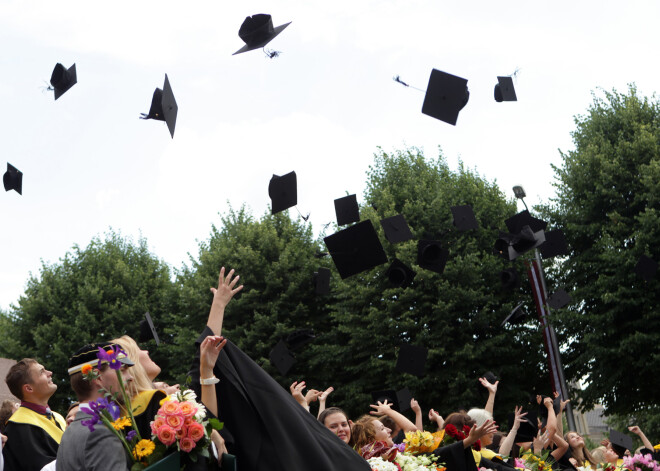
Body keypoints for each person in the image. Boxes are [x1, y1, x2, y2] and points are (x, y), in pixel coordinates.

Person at [187, 266, 372, 470]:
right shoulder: (174, 410)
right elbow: (204, 364)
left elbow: (206, 354)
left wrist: (219, 305)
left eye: (343, 424)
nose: (147, 353)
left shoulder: (190, 402)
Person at [56, 342, 135, 471]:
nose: (130, 377)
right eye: (122, 370)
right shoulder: (99, 432)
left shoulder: (70, 432)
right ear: (97, 377)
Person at [2, 359, 66, 471]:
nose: (50, 372)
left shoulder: (57, 417)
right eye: (42, 372)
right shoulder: (18, 427)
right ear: (29, 388)